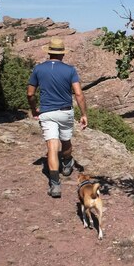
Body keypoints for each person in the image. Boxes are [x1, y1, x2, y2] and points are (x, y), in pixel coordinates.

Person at [27, 37, 88, 198]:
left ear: (49, 52)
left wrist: (34, 109)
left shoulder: (38, 69)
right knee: (66, 140)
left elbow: (30, 93)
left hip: (46, 112)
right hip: (65, 111)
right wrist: (83, 114)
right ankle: (67, 164)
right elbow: (79, 94)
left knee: (52, 147)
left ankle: (55, 185)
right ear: (62, 54)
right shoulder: (70, 70)